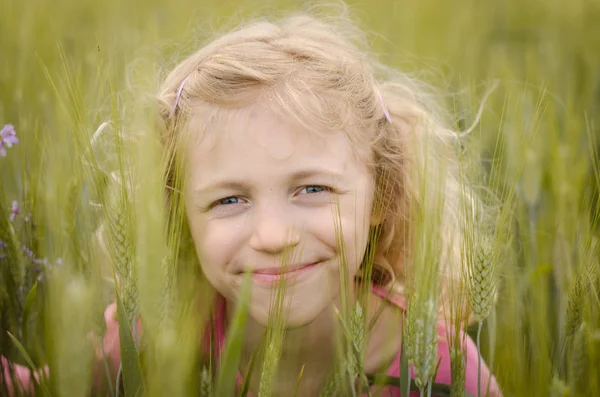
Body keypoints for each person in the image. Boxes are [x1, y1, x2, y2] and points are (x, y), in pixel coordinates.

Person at [3, 7, 501, 397]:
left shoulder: (440, 366)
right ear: (177, 218)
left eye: (313, 189)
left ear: (381, 197)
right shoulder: (161, 332)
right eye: (229, 199)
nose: (273, 237)